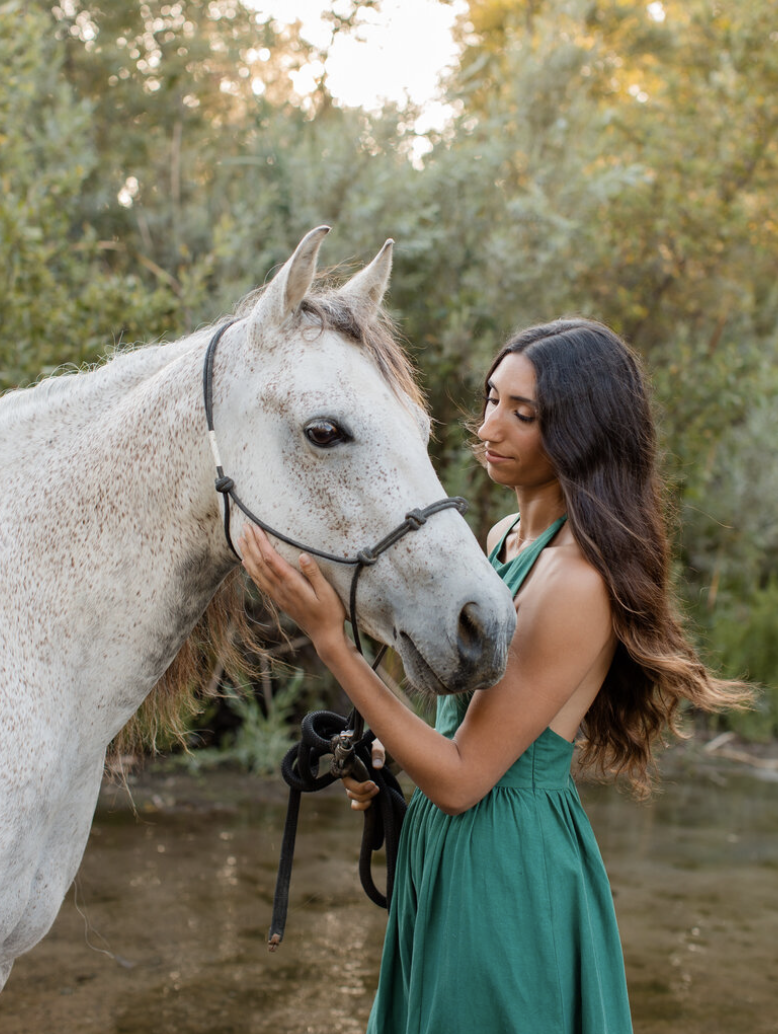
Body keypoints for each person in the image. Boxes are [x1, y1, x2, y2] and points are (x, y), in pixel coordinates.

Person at [238, 318, 750, 1034]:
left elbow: (460, 777)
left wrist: (332, 641)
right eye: (490, 399)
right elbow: (457, 732)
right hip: (453, 848)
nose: (490, 427)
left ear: (580, 431)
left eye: (523, 413)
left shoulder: (575, 581)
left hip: (505, 865)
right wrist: (383, 757)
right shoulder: (502, 543)